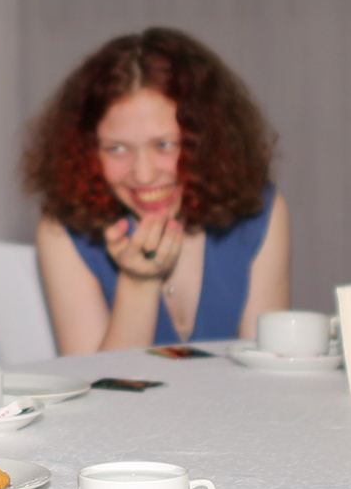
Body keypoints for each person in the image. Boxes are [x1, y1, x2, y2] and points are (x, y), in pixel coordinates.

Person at [26, 28, 290, 353]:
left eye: (164, 145)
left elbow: (268, 378)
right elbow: (100, 394)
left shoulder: (259, 216)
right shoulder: (63, 231)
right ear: (87, 153)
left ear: (209, 143)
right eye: (117, 149)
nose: (144, 174)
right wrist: (139, 283)